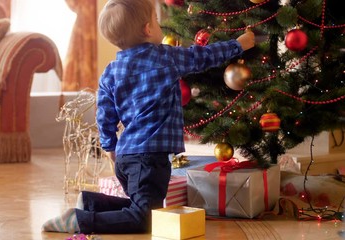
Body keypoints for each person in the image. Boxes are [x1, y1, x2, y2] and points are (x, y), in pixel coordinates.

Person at [42, 0, 255, 234]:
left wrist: (110, 147)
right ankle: (80, 221)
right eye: (156, 20)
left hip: (125, 157)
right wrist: (238, 45)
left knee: (145, 210)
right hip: (150, 159)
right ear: (147, 29)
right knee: (145, 219)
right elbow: (203, 56)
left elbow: (104, 115)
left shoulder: (111, 72)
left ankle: (93, 203)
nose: (159, 25)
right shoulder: (166, 57)